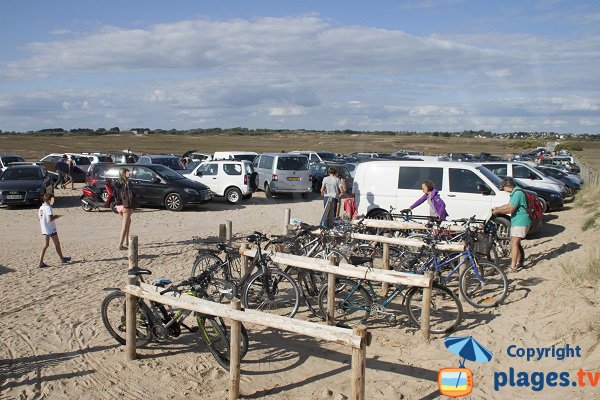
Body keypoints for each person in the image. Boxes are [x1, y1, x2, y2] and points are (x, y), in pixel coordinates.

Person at [492, 177, 531, 272]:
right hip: (518, 221)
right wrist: (497, 208)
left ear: (508, 186)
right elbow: (509, 205)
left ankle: (513, 266)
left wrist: (497, 212)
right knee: (515, 243)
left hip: (521, 221)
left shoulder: (517, 193)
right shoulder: (515, 193)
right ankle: (519, 262)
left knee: (514, 243)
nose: (503, 189)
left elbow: (510, 209)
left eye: (503, 187)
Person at [38, 193, 71, 268]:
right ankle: (62, 259)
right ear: (49, 200)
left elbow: (39, 218)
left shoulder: (41, 208)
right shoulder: (48, 208)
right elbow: (50, 219)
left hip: (44, 228)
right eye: (52, 199)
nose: (53, 201)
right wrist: (57, 216)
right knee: (57, 243)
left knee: (45, 245)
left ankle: (40, 262)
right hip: (50, 229)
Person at [115, 168, 138, 251]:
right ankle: (120, 244)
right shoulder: (128, 183)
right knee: (125, 225)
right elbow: (134, 193)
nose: (129, 173)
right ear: (124, 174)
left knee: (128, 222)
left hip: (119, 206)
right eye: (128, 172)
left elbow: (115, 194)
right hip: (126, 205)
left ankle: (127, 242)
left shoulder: (116, 183)